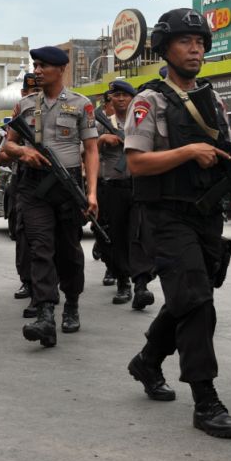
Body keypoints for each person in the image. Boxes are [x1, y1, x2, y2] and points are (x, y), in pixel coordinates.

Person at [123, 9, 231, 439]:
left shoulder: (212, 98)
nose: (195, 49)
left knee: (188, 297)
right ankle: (206, 399)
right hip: (165, 215)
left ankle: (148, 361)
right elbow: (136, 163)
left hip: (206, 214)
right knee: (196, 302)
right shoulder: (148, 100)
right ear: (165, 49)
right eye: (184, 42)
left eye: (200, 42)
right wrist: (188, 153)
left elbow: (226, 154)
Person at [3, 46, 99, 347]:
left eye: (43, 65)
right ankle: (45, 313)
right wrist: (23, 151)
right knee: (40, 247)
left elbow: (92, 149)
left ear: (61, 69)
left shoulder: (82, 105)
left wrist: (92, 192)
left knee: (68, 249)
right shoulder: (25, 106)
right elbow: (7, 147)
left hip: (67, 183)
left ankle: (71, 302)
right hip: (33, 185)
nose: (38, 70)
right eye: (36, 65)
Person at [96, 79, 137, 306]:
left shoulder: (140, 120)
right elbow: (87, 149)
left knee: (139, 236)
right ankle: (123, 281)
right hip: (113, 187)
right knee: (117, 237)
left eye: (125, 95)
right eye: (116, 95)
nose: (120, 99)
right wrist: (102, 140)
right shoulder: (102, 123)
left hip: (139, 185)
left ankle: (141, 283)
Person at [9, 72, 40, 304]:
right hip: (24, 180)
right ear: (23, 94)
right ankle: (28, 280)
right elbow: (4, 151)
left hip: (54, 179)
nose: (35, 96)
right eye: (31, 92)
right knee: (24, 232)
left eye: (38, 91)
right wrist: (21, 152)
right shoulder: (20, 116)